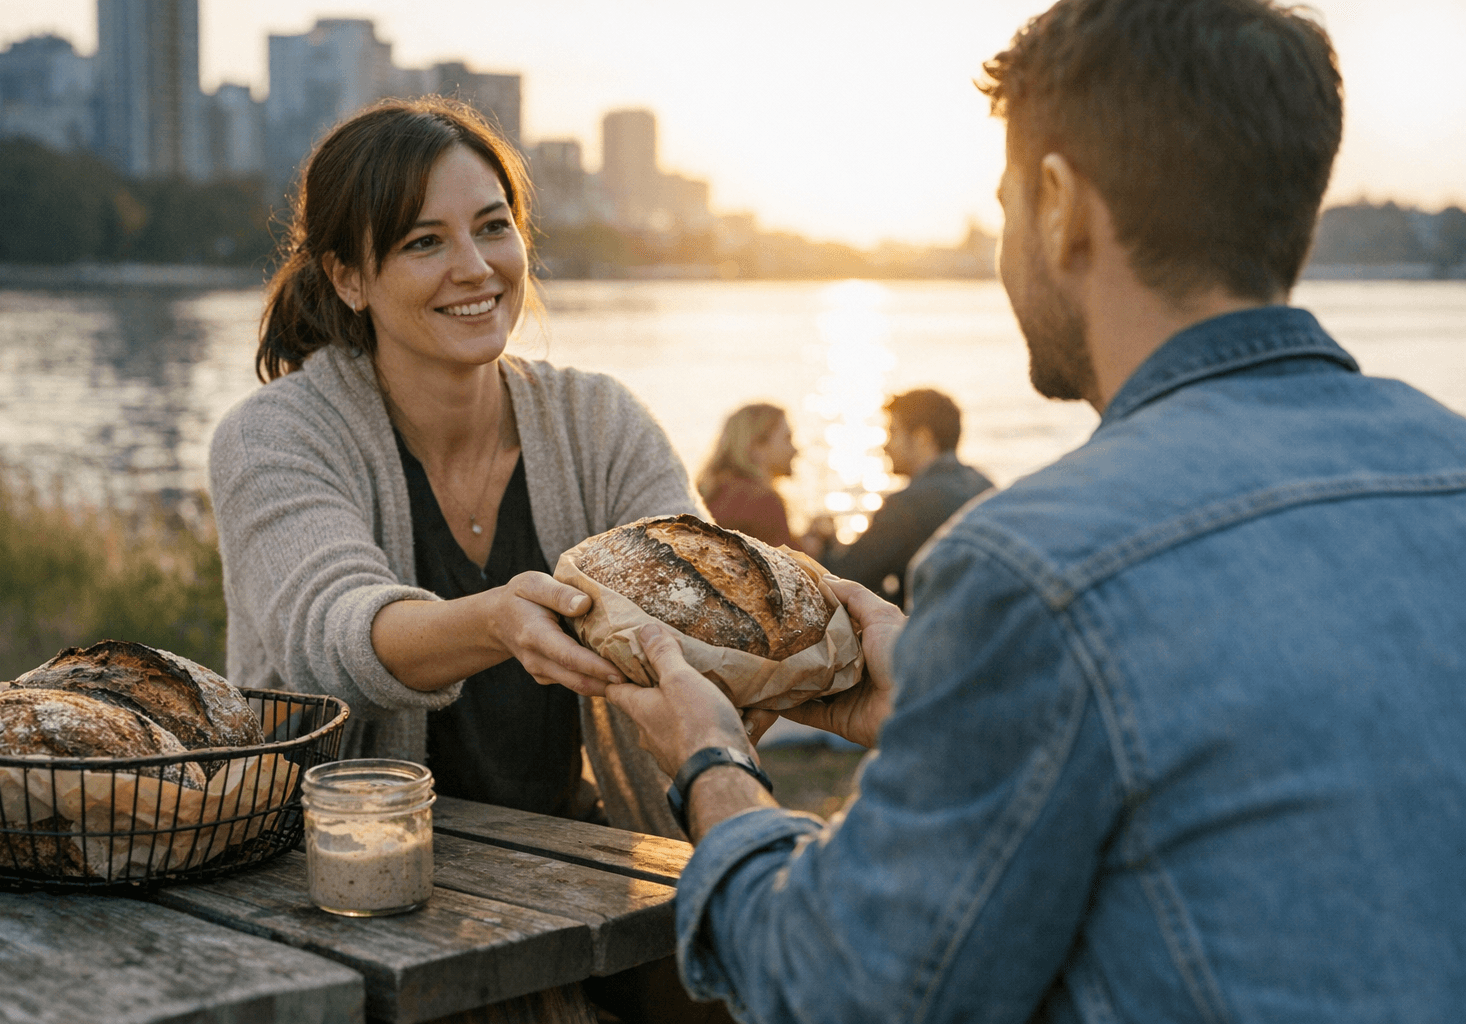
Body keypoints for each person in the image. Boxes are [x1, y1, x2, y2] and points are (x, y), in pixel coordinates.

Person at [588, 1, 1466, 1021]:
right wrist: (937, 695)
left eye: (1005, 201)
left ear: (1058, 205)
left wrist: (712, 764)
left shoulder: (1034, 567)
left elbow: (841, 989)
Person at [208, 97, 703, 838]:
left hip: (586, 863)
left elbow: (699, 590)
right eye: (423, 242)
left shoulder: (600, 421)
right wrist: (497, 622)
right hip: (336, 869)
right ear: (349, 278)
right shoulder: (274, 435)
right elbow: (328, 647)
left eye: (493, 227)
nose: (474, 269)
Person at [817, 388, 992, 606]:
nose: (885, 444)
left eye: (893, 432)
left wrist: (824, 544)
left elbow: (845, 580)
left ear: (922, 439)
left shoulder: (907, 505)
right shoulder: (985, 487)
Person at [696, 403, 817, 552]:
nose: (796, 449)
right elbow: (788, 570)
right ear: (757, 447)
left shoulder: (708, 493)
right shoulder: (763, 502)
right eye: (787, 438)